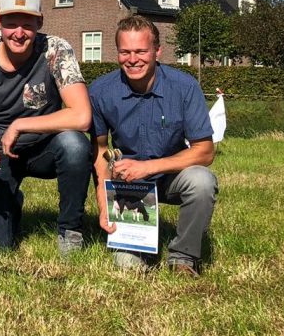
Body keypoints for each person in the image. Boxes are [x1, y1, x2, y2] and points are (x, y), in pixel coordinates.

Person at [0, 0, 91, 256]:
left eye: (27, 25)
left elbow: (81, 115)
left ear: (40, 23)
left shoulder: (56, 50)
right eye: (11, 24)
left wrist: (19, 125)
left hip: (46, 147)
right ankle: (11, 201)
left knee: (75, 145)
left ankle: (70, 230)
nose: (19, 33)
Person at [89, 15, 217, 276]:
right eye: (125, 52)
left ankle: (183, 257)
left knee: (202, 181)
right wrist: (104, 205)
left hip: (170, 175)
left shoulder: (185, 87)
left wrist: (148, 167)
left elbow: (205, 151)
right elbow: (100, 152)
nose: (132, 59)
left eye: (141, 51)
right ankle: (138, 245)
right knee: (128, 268)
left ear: (157, 51)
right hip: (128, 184)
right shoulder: (100, 91)